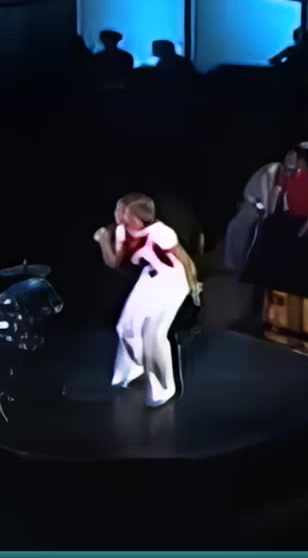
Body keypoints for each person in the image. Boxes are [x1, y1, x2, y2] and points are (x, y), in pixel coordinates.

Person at [93, 193, 198, 408]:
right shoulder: (122, 231)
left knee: (153, 334)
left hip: (172, 279)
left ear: (137, 215)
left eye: (122, 211)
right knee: (125, 327)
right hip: (149, 277)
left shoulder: (161, 232)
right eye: (117, 210)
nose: (117, 215)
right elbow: (114, 261)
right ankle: (132, 370)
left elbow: (184, 259)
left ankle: (163, 388)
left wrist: (193, 286)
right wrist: (104, 240)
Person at [223, 152, 292, 270]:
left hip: (268, 210)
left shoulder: (286, 177)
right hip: (253, 204)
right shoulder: (268, 172)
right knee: (238, 230)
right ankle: (237, 264)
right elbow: (260, 196)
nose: (289, 174)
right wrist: (263, 211)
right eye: (288, 171)